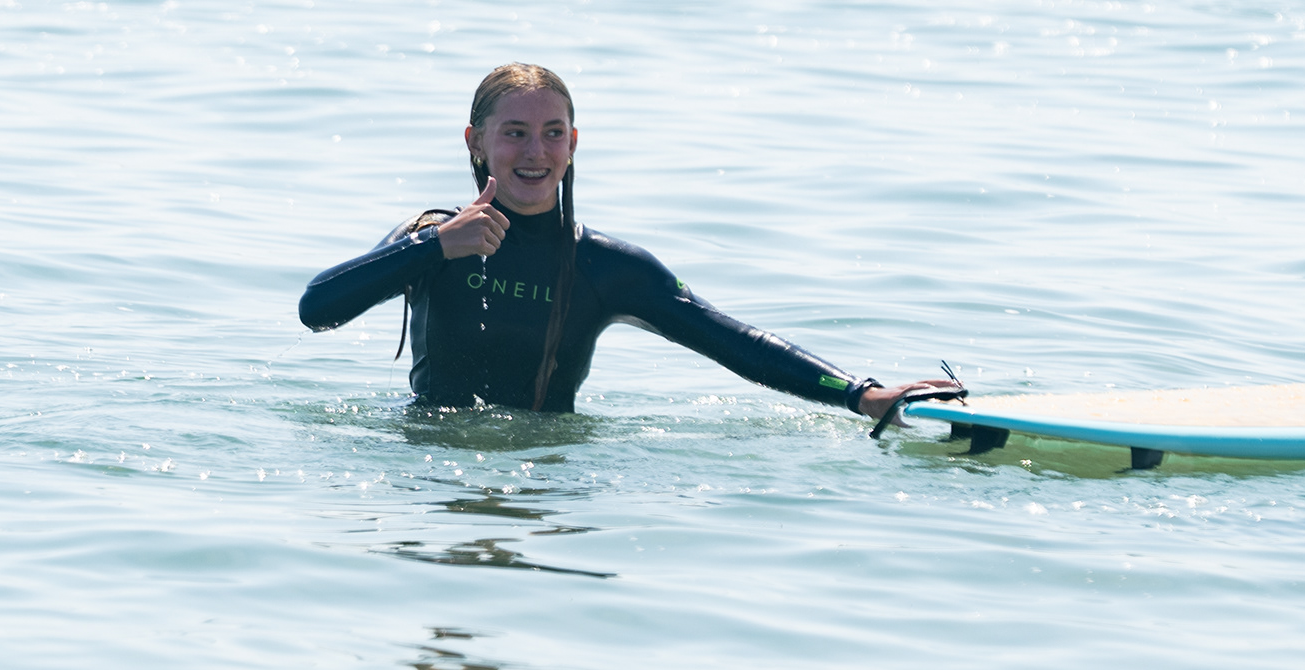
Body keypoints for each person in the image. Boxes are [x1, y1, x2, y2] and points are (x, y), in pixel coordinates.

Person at [299, 63, 959, 421]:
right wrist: (436, 248)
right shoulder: (430, 242)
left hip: (547, 471)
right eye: (515, 133)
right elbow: (317, 309)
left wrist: (860, 394)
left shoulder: (605, 268)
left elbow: (729, 339)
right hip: (428, 467)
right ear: (475, 142)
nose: (536, 152)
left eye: (553, 133)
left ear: (574, 143)